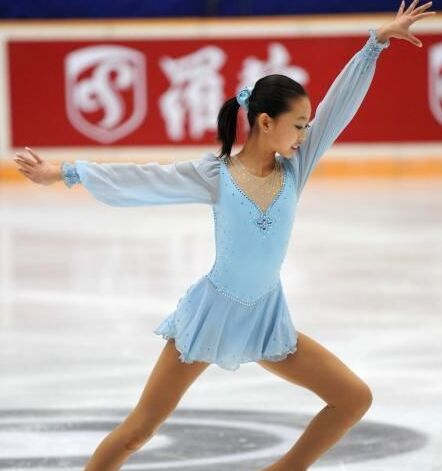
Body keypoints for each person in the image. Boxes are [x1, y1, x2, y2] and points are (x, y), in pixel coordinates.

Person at [12, 2, 435, 470]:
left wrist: (374, 45)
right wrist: (65, 173)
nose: (305, 134)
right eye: (298, 124)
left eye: (307, 126)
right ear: (265, 123)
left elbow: (338, 108)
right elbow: (142, 180)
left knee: (353, 399)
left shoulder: (297, 166)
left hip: (266, 318)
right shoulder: (216, 175)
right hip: (210, 318)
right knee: (139, 430)